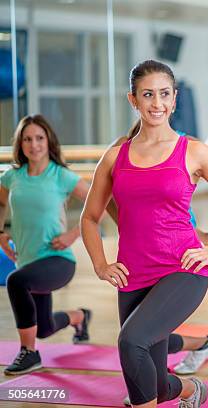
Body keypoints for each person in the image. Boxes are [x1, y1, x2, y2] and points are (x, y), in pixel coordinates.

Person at [81, 59, 208, 407]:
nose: (157, 103)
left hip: (183, 269)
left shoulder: (193, 152)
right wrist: (101, 265)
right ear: (133, 100)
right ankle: (191, 391)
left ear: (175, 99)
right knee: (155, 382)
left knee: (130, 342)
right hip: (133, 274)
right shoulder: (116, 157)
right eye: (148, 95)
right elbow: (89, 217)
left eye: (164, 94)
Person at [0, 115, 92, 375]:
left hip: (58, 259)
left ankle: (29, 353)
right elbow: (0, 202)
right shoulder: (12, 177)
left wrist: (74, 234)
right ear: (20, 144)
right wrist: (0, 232)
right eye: (27, 139)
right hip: (28, 261)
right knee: (44, 328)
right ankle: (80, 317)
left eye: (39, 138)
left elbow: (98, 204)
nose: (34, 144)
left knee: (16, 281)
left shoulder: (61, 175)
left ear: (48, 140)